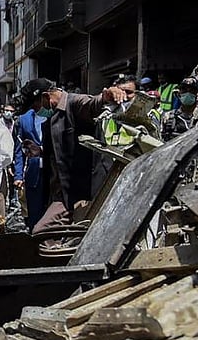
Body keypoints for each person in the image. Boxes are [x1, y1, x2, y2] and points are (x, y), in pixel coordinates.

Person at [23, 79, 127, 233]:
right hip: (63, 195)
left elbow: (92, 105)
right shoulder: (52, 118)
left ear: (45, 96)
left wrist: (106, 97)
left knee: (41, 233)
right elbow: (64, 149)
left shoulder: (75, 103)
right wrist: (41, 151)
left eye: (36, 106)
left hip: (84, 192)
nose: (36, 111)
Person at [13, 83, 46, 230]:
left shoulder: (54, 116)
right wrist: (18, 176)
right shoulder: (24, 120)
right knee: (33, 210)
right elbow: (19, 150)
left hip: (52, 172)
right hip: (33, 172)